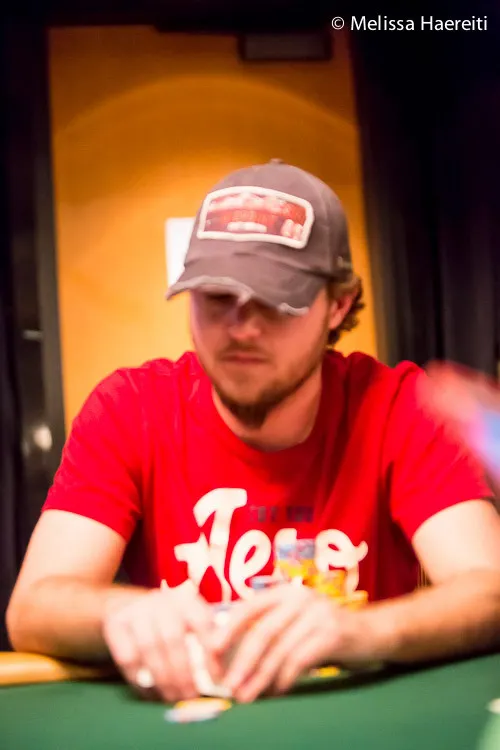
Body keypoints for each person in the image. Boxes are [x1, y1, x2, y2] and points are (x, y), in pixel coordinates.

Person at [6, 159, 500, 705]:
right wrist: (121, 610)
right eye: (217, 297)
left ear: (338, 305)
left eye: (276, 300)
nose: (242, 328)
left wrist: (360, 631)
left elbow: (491, 589)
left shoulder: (399, 407)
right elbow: (33, 608)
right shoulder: (129, 408)